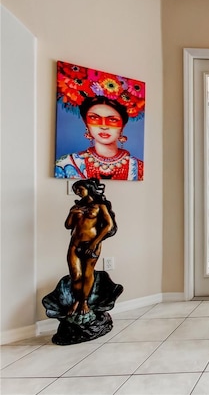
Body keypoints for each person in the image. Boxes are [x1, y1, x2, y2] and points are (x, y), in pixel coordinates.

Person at [55, 96, 143, 180]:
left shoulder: (139, 167)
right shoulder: (66, 164)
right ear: (86, 123)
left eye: (112, 120)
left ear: (123, 125)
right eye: (94, 118)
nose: (103, 126)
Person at [65, 178, 117, 316]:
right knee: (75, 275)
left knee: (88, 274)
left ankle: (84, 301)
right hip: (74, 244)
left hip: (91, 244)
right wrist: (72, 213)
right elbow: (68, 226)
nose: (77, 192)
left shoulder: (100, 206)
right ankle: (77, 299)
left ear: (89, 188)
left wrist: (95, 242)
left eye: (80, 189)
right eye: (75, 190)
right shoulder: (76, 207)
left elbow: (109, 225)